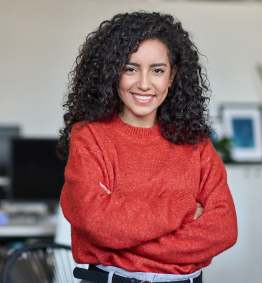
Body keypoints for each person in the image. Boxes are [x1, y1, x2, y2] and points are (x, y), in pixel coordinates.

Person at [58, 11, 237, 283]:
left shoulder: (196, 143)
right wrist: (184, 209)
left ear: (172, 75)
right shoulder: (90, 136)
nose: (144, 83)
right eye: (130, 68)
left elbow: (223, 230)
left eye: (157, 70)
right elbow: (97, 223)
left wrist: (120, 239)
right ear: (113, 72)